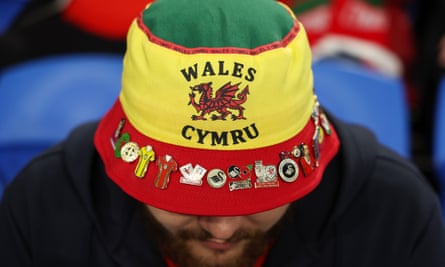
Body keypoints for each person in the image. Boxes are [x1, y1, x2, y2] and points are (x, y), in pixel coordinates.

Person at [0, 0, 444, 266]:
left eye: (260, 195)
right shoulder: (43, 207)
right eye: (186, 196)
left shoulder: (397, 215)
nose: (225, 227)